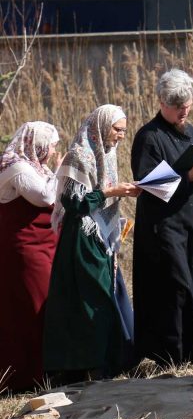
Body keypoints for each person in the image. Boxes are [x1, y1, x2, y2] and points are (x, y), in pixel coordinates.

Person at [44, 105, 140, 383]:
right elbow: (74, 204)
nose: (121, 136)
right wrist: (110, 191)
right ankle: (88, 365)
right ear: (101, 127)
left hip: (101, 239)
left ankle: (104, 362)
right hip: (82, 241)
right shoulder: (79, 156)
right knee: (91, 301)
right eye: (117, 130)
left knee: (102, 299)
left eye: (124, 130)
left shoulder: (107, 153)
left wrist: (125, 192)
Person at [131, 69, 193, 367]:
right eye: (177, 106)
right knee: (175, 285)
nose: (184, 111)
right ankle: (171, 356)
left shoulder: (191, 131)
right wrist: (189, 175)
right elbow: (148, 183)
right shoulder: (149, 137)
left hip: (192, 218)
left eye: (188, 105)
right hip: (163, 224)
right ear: (162, 103)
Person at [0, 121, 61, 391]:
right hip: (25, 250)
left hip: (44, 245)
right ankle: (25, 377)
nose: (52, 151)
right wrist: (61, 170)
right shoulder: (18, 168)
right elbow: (45, 197)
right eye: (51, 145)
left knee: (46, 305)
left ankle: (46, 370)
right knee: (30, 307)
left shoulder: (36, 167)